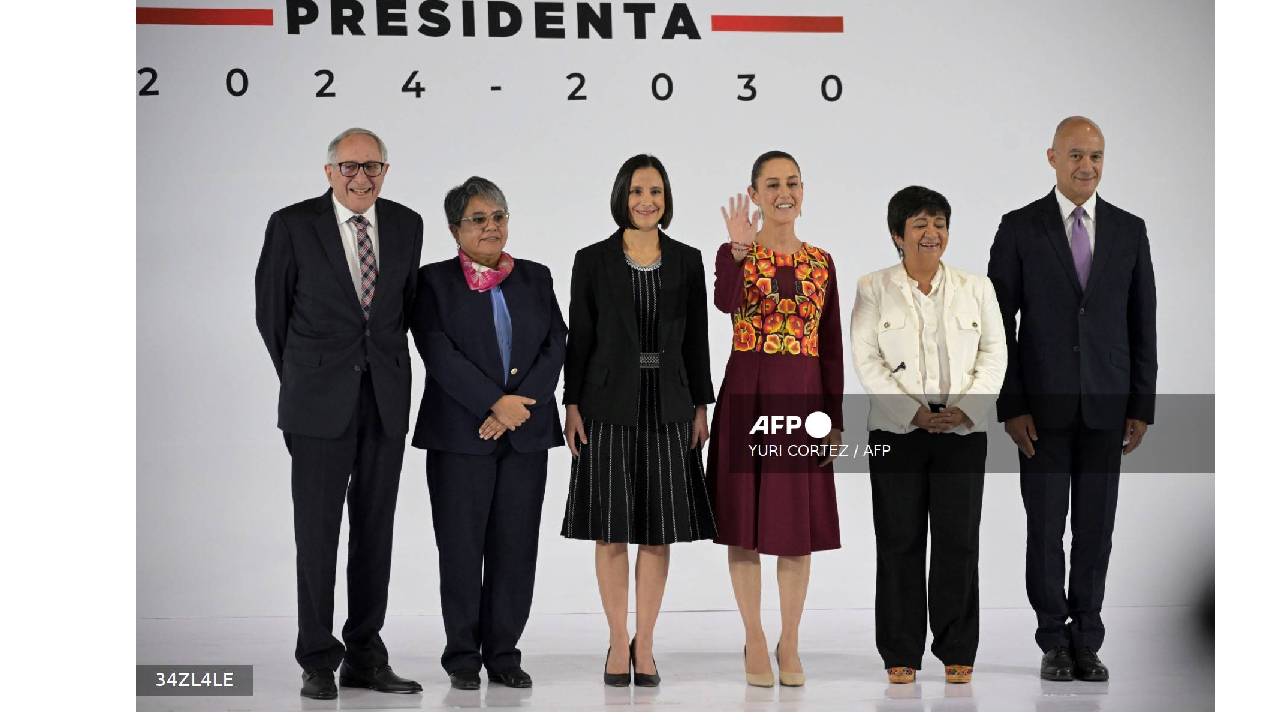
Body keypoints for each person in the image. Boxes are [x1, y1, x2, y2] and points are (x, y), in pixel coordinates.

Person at [255, 128, 424, 699]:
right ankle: (317, 659)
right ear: (329, 172)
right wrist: (309, 375)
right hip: (317, 405)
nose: (361, 177)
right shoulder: (292, 225)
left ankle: (365, 656)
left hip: (385, 401)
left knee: (375, 531)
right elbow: (272, 314)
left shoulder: (406, 224)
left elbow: (403, 311)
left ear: (385, 171)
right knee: (317, 533)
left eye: (372, 166)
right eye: (350, 166)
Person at [987, 116, 1157, 682]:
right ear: (1052, 158)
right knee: (1044, 528)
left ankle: (1087, 638)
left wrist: (1141, 404)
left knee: (1095, 528)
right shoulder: (1019, 227)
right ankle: (1053, 639)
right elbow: (997, 325)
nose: (1087, 166)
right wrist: (1012, 404)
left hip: (1108, 405)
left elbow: (1143, 322)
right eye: (1076, 155)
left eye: (1096, 156)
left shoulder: (1129, 230)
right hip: (1040, 410)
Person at [561, 154, 717, 687]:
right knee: (610, 532)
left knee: (658, 530)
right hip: (606, 407)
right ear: (620, 198)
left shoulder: (688, 260)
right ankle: (615, 639)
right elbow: (580, 337)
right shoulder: (591, 260)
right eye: (635, 192)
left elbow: (697, 339)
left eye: (654, 191)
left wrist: (701, 404)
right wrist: (571, 403)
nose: (646, 201)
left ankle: (644, 642)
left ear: (666, 198)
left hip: (670, 405)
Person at [410, 177, 567, 691]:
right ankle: (462, 656)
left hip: (525, 436)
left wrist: (516, 410)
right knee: (460, 548)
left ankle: (503, 653)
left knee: (515, 549)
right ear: (454, 228)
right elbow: (437, 351)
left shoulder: (535, 277)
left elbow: (556, 344)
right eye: (478, 219)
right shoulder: (432, 282)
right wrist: (493, 404)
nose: (491, 227)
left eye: (498, 217)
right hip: (460, 437)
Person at [850, 186, 1007, 685]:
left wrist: (967, 409)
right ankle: (900, 651)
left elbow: (995, 354)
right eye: (919, 224)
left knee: (958, 541)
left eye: (939, 223)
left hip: (963, 431)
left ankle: (957, 648)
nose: (931, 233)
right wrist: (912, 413)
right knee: (899, 540)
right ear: (897, 235)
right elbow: (867, 359)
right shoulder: (873, 287)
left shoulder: (976, 287)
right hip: (896, 432)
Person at [709, 150, 844, 688]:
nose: (783, 193)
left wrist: (834, 417)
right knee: (744, 527)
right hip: (748, 398)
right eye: (772, 184)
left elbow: (830, 345)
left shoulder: (822, 261)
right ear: (755, 194)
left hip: (804, 403)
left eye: (792, 183)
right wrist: (738, 251)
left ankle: (790, 639)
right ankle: (754, 636)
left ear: (803, 191)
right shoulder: (735, 253)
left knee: (796, 531)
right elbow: (724, 303)